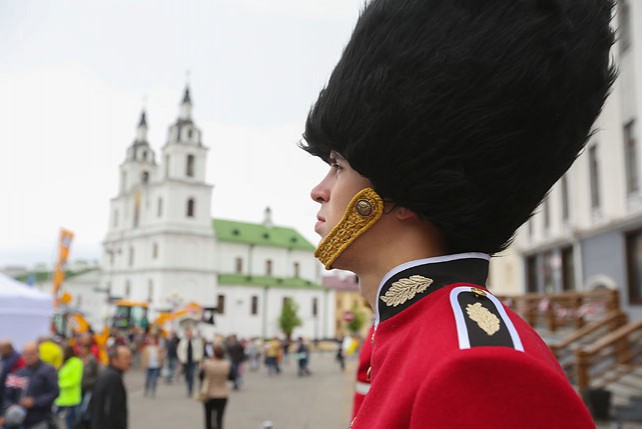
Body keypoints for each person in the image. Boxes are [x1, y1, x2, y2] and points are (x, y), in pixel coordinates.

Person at [301, 0, 614, 427]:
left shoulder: (477, 366)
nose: (319, 191)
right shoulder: (410, 332)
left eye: (338, 167)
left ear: (402, 190)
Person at [0, 341, 59, 429]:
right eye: (26, 354)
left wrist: (35, 402)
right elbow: (7, 395)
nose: (28, 357)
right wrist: (11, 407)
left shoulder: (48, 370)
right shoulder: (18, 373)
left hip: (41, 419)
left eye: (31, 354)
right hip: (19, 421)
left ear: (38, 353)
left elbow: (54, 392)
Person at [91, 345, 131, 429]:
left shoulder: (107, 374)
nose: (129, 361)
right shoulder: (113, 378)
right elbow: (113, 411)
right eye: (126, 358)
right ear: (114, 360)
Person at [201, 344, 231, 429]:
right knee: (219, 418)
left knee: (208, 417)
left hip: (209, 393)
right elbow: (232, 377)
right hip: (222, 393)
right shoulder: (226, 365)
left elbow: (201, 377)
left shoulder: (207, 365)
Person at [54, 344, 83, 429]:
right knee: (55, 420)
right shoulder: (64, 363)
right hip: (61, 398)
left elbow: (74, 380)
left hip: (71, 399)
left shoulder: (76, 362)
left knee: (70, 423)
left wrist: (59, 383)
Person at [77, 343, 99, 428]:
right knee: (79, 410)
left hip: (89, 389)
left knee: (85, 410)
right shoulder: (78, 360)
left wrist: (90, 383)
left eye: (83, 348)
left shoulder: (92, 360)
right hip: (79, 389)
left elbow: (96, 375)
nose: (81, 350)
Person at [177, 328, 204, 397]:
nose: (189, 334)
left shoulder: (196, 341)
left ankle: (190, 389)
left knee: (191, 374)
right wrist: (181, 359)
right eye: (187, 333)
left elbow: (200, 350)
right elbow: (179, 350)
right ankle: (189, 386)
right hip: (185, 361)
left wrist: (199, 358)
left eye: (190, 333)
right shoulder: (183, 341)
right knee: (187, 375)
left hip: (193, 360)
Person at [0, 340, 25, 410]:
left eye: (1, 349)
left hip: (11, 390)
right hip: (3, 389)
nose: (0, 351)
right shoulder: (4, 358)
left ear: (8, 348)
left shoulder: (18, 359)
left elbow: (20, 375)